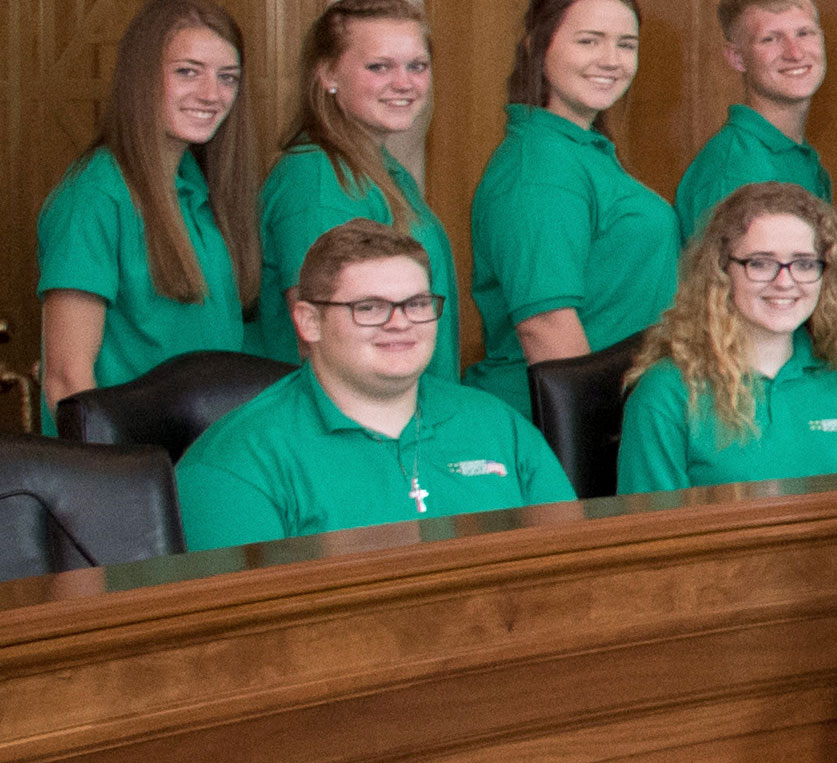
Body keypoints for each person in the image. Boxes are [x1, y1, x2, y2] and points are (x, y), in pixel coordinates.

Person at [176, 225, 579, 542]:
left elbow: (571, 569)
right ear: (309, 322)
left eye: (417, 304)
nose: (400, 323)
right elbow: (243, 638)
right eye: (369, 308)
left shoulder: (498, 425)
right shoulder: (232, 465)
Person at [463, 0, 672, 403]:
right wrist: (594, 440)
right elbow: (546, 325)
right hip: (561, 430)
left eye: (626, 44)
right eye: (588, 41)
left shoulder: (581, 152)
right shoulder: (540, 168)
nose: (612, 60)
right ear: (537, 48)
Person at [39, 0, 259, 394]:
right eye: (188, 72)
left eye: (228, 77)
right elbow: (66, 379)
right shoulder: (95, 195)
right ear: (142, 76)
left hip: (208, 451)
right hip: (131, 455)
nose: (212, 94)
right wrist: (110, 462)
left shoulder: (202, 188)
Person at [617, 184, 837, 490]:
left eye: (804, 264)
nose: (785, 281)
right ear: (721, 271)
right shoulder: (668, 393)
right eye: (761, 263)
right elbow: (651, 532)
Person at [254, 0, 461, 370]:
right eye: (380, 67)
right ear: (328, 74)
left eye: (417, 66)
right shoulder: (319, 180)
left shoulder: (379, 168)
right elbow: (327, 342)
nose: (404, 83)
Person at [671, 0, 835, 221]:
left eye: (804, 33)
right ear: (737, 58)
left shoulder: (799, 157)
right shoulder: (738, 171)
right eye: (770, 39)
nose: (794, 53)